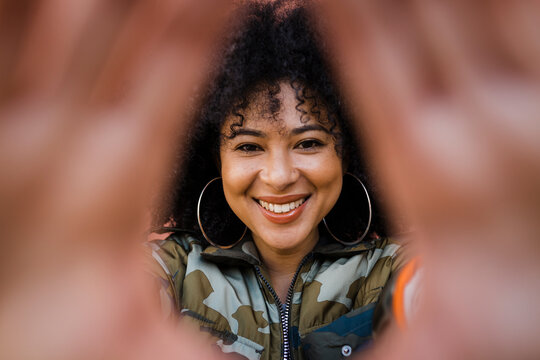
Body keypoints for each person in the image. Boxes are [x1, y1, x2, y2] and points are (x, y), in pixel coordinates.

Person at [147, 2, 408, 359]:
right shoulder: (169, 271)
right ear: (216, 159)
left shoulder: (397, 271)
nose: (280, 176)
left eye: (308, 143)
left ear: (347, 153)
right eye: (249, 146)